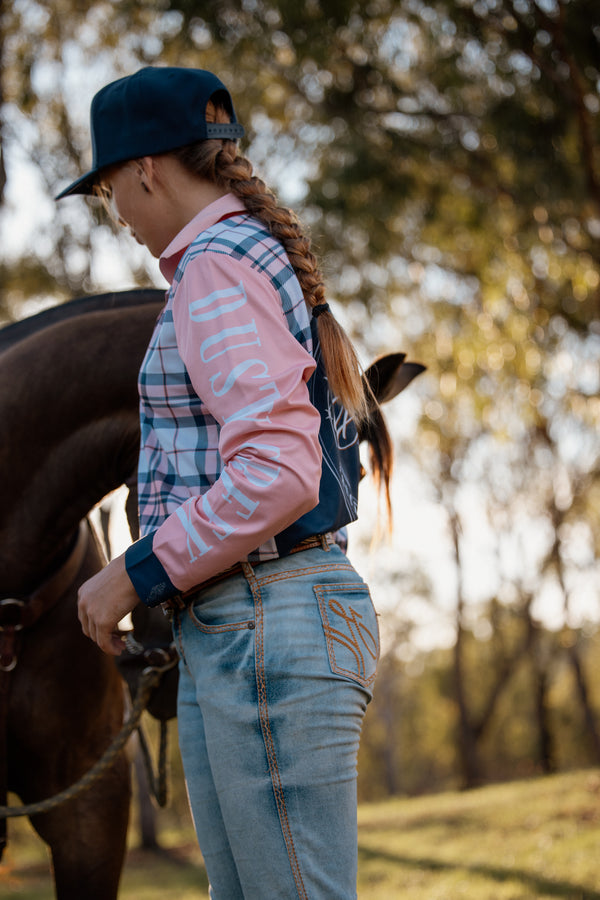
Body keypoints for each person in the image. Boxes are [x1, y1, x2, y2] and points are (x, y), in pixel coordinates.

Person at [57, 65, 380, 900]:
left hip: (263, 626)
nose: (118, 214)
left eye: (108, 191)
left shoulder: (214, 268)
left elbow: (279, 470)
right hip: (246, 626)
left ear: (146, 170)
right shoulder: (240, 257)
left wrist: (131, 573)